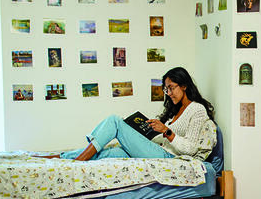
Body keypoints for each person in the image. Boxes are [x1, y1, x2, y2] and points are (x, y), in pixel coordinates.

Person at [58, 67, 214, 161]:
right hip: (154, 148)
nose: (169, 93)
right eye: (166, 89)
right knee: (109, 153)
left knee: (114, 121)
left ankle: (78, 161)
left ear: (184, 86)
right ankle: (60, 158)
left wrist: (166, 131)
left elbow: (191, 149)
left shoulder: (197, 110)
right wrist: (145, 131)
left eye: (171, 88)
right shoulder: (175, 111)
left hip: (168, 157)